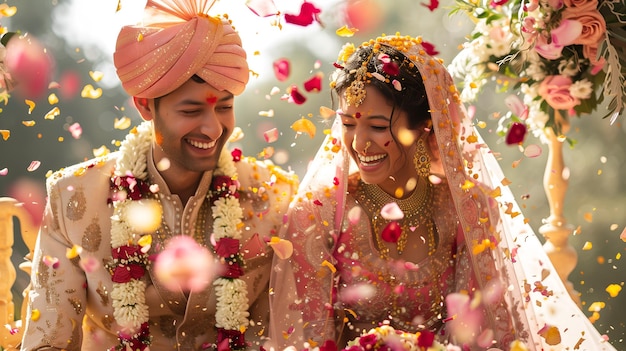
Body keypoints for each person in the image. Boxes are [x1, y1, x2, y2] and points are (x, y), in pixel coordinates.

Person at [268, 33, 617, 351]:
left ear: (423, 125)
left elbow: (483, 335)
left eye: (376, 126)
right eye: (347, 124)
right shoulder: (320, 210)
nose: (358, 143)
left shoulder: (466, 206)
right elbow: (304, 339)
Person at [19, 1, 297, 350]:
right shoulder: (74, 197)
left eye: (224, 107)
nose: (212, 128)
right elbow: (49, 338)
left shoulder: (275, 195)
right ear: (145, 104)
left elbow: (292, 335)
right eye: (191, 110)